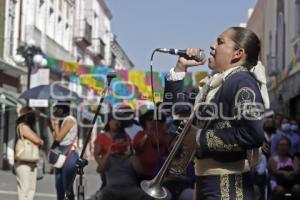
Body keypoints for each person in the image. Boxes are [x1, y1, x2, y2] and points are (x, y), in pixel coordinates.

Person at [163, 27, 267, 199]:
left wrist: (198, 137)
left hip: (228, 187)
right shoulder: (212, 85)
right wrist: (181, 67)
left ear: (237, 53)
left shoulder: (242, 81)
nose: (212, 46)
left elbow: (252, 134)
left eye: (220, 42)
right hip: (208, 182)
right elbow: (175, 109)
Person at [94, 112, 152, 200]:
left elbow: (140, 170)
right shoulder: (102, 137)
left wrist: (130, 155)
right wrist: (107, 156)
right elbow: (97, 157)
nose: (116, 122)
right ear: (109, 121)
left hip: (129, 185)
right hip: (109, 171)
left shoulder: (126, 136)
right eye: (113, 120)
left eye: (118, 120)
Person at [50, 101, 78, 200]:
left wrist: (56, 123)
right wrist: (54, 125)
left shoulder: (70, 120)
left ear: (62, 109)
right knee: (59, 185)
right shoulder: (62, 120)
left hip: (70, 154)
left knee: (67, 186)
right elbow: (55, 137)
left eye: (56, 109)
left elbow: (58, 138)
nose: (54, 112)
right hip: (61, 154)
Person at [15, 106, 44, 200]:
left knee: (31, 190)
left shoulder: (30, 127)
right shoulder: (23, 127)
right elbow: (38, 140)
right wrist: (39, 140)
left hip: (32, 162)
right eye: (31, 115)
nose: (34, 118)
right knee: (25, 189)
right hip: (23, 163)